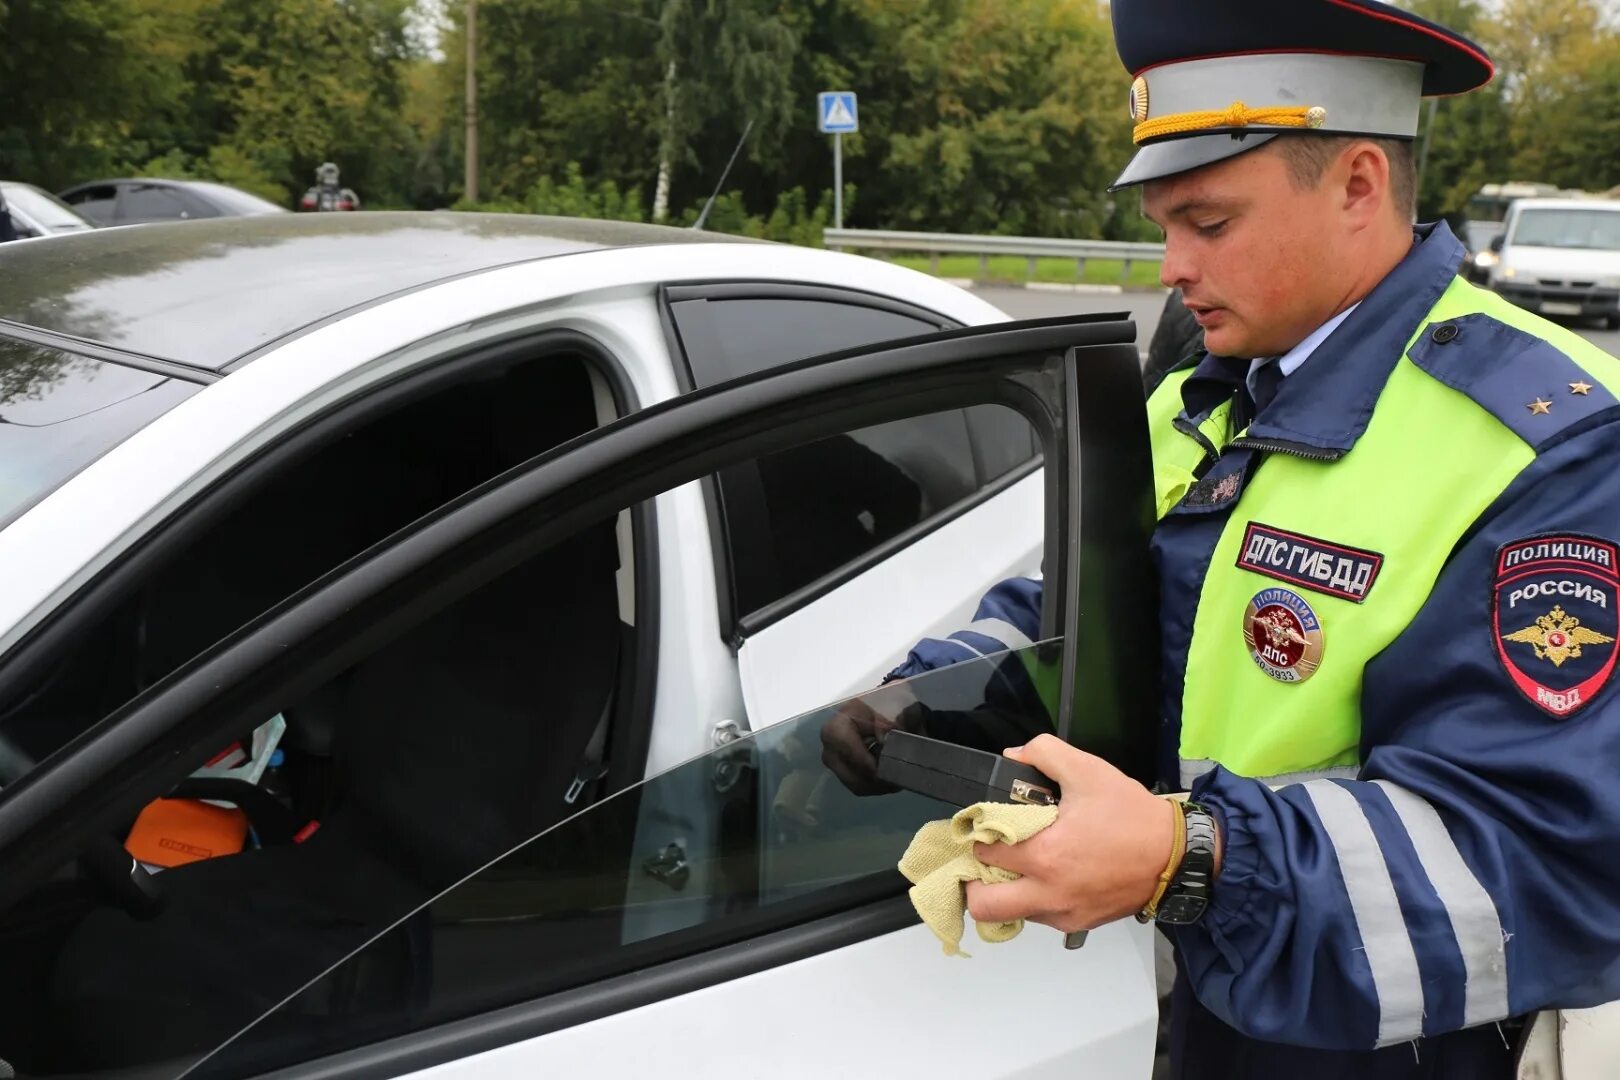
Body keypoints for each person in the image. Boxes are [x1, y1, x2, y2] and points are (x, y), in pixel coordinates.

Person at [824, 2, 1620, 1076]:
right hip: (1179, 1005)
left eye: (1209, 223)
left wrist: (1188, 859)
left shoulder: (1546, 446)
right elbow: (1095, 613)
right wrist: (925, 696)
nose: (1170, 268)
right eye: (1162, 226)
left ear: (1357, 187)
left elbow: (1540, 863)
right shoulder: (1205, 395)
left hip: (1370, 1044)